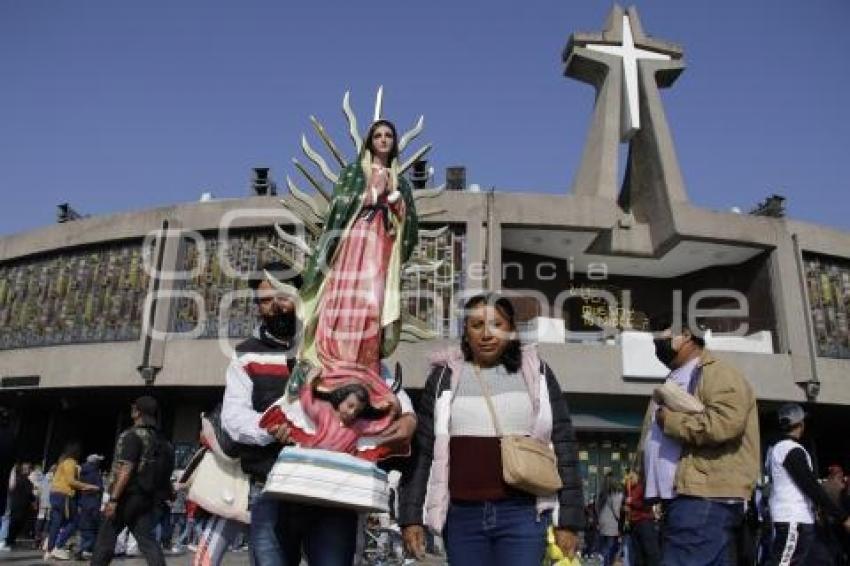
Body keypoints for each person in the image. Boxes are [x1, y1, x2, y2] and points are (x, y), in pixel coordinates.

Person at [221, 263, 417, 566]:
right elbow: (233, 418)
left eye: (283, 296)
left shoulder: (336, 345)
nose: (275, 307)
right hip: (271, 488)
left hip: (334, 490)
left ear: (303, 296)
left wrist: (407, 416)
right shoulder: (246, 355)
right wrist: (269, 428)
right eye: (265, 300)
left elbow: (385, 385)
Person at [398, 293, 585, 565]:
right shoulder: (443, 378)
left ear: (511, 330)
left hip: (522, 516)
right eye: (477, 326)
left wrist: (568, 521)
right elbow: (423, 452)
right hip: (462, 518)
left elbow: (564, 445)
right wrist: (411, 517)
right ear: (465, 332)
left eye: (497, 325)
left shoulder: (536, 373)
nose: (487, 334)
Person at [285, 119, 419, 453]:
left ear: (395, 143)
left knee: (370, 305)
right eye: (378, 135)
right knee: (343, 298)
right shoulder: (354, 172)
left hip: (380, 247)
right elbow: (340, 207)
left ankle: (361, 360)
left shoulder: (400, 179)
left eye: (389, 135)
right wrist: (372, 194)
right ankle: (333, 356)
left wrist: (397, 205)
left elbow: (409, 227)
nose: (384, 140)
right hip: (353, 241)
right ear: (369, 141)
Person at [638, 319, 760, 566]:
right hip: (681, 499)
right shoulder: (674, 378)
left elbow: (726, 423)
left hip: (703, 498)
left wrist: (671, 422)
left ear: (685, 335)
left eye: (662, 334)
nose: (656, 342)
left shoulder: (718, 373)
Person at [91, 396, 174, 566]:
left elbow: (126, 469)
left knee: (105, 539)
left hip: (127, 496)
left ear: (137, 412)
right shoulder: (164, 441)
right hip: (148, 498)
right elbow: (166, 472)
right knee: (147, 540)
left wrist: (114, 499)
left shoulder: (132, 436)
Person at [764, 403, 850, 565]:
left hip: (796, 519)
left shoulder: (776, 448)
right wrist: (842, 517)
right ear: (801, 424)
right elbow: (810, 485)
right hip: (793, 519)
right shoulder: (790, 449)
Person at [46, 442, 99, 560]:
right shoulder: (71, 462)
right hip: (64, 495)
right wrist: (89, 486)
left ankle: (50, 549)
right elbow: (71, 481)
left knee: (56, 522)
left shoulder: (62, 462)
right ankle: (58, 546)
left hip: (55, 493)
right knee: (75, 521)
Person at [625, 473, 660, 566]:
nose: (628, 481)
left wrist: (632, 502)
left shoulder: (642, 488)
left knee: (649, 551)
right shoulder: (629, 490)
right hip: (634, 523)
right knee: (638, 553)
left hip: (644, 521)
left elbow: (646, 505)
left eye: (630, 479)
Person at [76, 454, 105, 559]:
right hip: (92, 504)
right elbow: (99, 487)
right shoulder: (95, 473)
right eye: (98, 461)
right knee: (93, 530)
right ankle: (83, 550)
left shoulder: (80, 472)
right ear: (95, 462)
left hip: (82, 503)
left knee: (84, 529)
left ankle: (81, 550)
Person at [4, 462, 35, 549]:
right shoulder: (26, 481)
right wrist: (33, 499)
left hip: (17, 504)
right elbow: (29, 494)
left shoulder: (19, 479)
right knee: (16, 523)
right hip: (20, 505)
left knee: (15, 523)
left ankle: (11, 540)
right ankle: (10, 541)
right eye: (28, 469)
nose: (29, 471)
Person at [596, 472, 623, 566]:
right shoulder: (616, 493)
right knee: (611, 548)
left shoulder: (602, 494)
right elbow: (617, 511)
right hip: (612, 525)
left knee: (605, 547)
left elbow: (597, 508)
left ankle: (603, 563)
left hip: (603, 524)